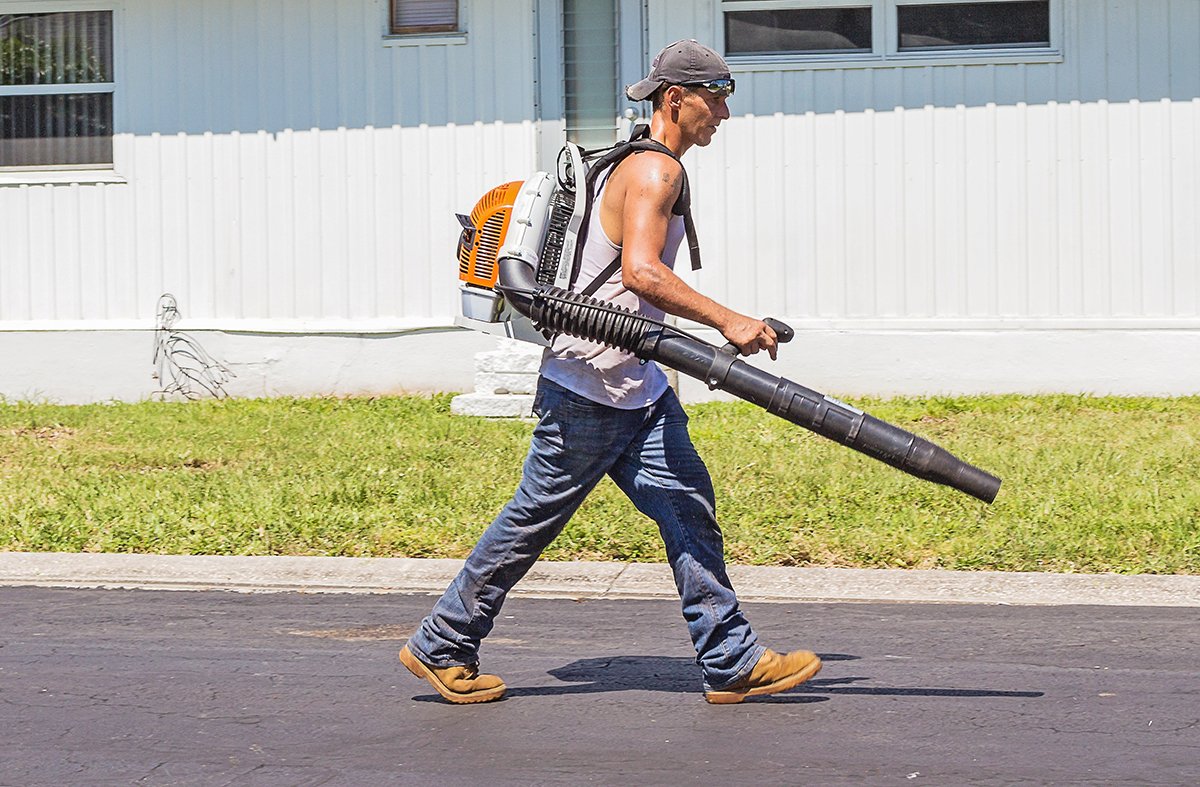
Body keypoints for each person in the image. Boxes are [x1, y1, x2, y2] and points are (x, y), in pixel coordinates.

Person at [400, 39, 821, 705]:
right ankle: (443, 639)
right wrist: (729, 321)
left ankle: (730, 657)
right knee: (531, 520)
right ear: (675, 100)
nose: (724, 114)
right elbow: (642, 274)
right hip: (590, 388)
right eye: (716, 99)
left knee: (688, 506)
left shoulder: (626, 162)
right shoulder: (656, 172)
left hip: (635, 385)